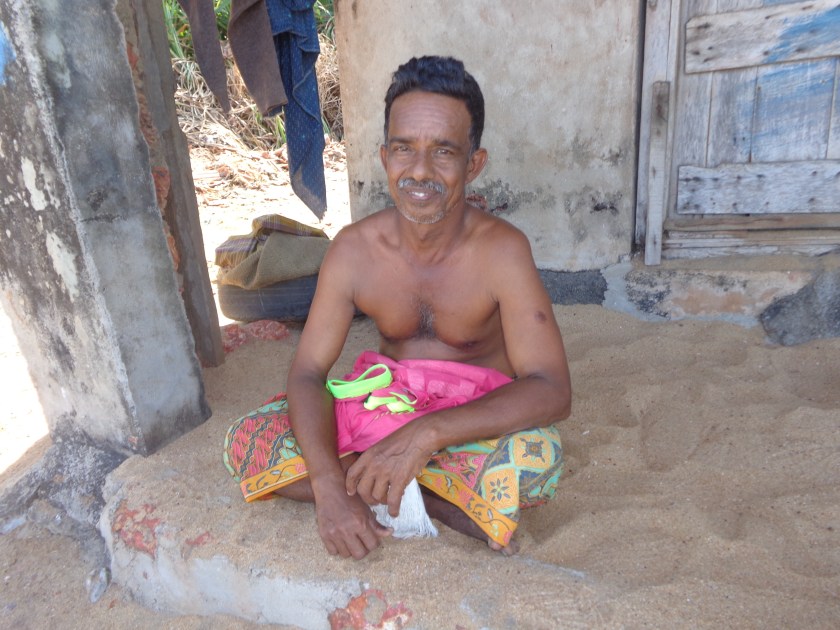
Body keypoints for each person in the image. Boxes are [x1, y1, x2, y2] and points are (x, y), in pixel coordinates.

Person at [223, 55, 571, 559]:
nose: (420, 171)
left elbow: (552, 389)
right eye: (405, 149)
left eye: (444, 152)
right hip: (379, 411)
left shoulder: (502, 252)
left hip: (467, 425)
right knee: (249, 437)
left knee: (538, 458)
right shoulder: (353, 250)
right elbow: (308, 372)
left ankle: (384, 485)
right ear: (385, 157)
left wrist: (425, 434)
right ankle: (427, 502)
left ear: (474, 164)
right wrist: (327, 486)